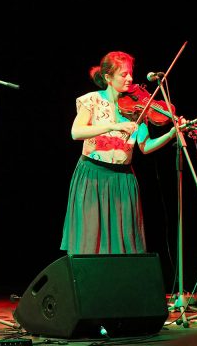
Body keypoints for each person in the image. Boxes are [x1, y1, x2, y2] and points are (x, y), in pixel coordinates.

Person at [60, 50, 183, 254]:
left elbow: (145, 147)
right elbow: (76, 132)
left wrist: (171, 133)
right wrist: (112, 127)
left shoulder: (137, 108)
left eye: (130, 73)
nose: (130, 79)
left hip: (123, 179)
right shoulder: (92, 100)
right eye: (123, 74)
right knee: (91, 240)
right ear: (108, 77)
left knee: (123, 242)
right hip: (93, 175)